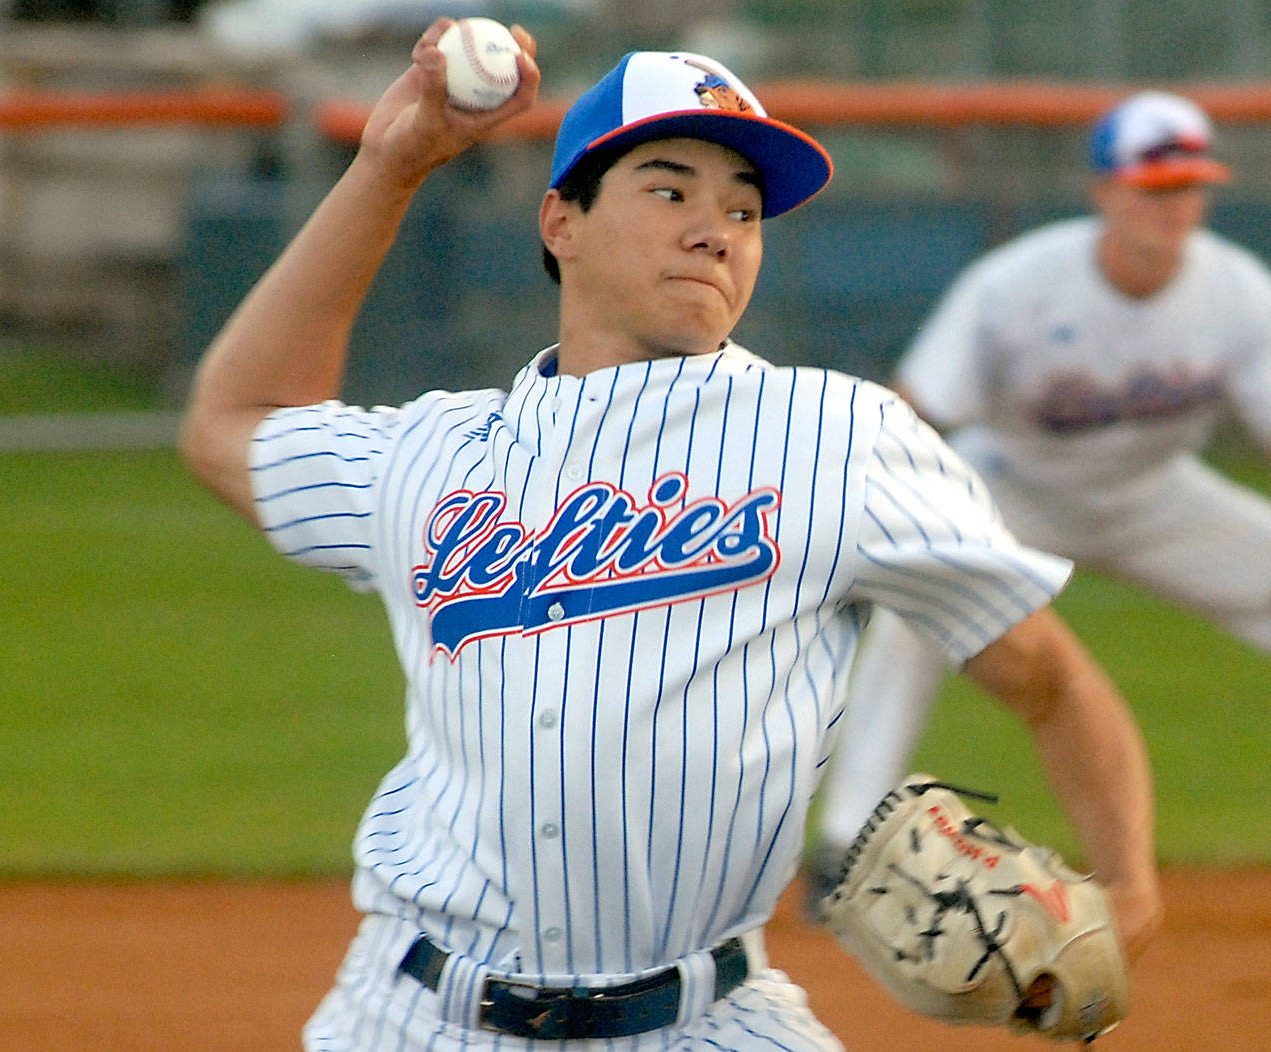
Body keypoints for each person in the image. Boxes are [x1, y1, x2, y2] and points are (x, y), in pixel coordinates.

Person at [179, 20, 1160, 1050]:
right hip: (413, 1013)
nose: (715, 228)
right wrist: (390, 164)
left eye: (743, 208)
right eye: (669, 189)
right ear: (561, 220)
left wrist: (1132, 888)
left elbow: (1045, 673)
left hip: (707, 1018)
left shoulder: (836, 437)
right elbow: (230, 423)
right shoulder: (435, 453)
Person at [807, 89, 1271, 896]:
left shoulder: (1236, 291)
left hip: (1153, 493)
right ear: (1104, 193)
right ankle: (845, 845)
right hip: (1009, 488)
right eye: (1152, 187)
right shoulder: (1015, 286)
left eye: (1188, 186)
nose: (1173, 206)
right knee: (914, 612)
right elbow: (913, 412)